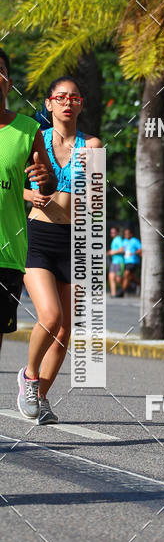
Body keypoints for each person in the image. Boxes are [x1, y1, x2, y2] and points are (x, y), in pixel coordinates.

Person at [17, 76, 102, 423]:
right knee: (49, 317)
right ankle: (29, 377)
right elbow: (11, 186)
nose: (68, 102)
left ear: (81, 105)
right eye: (61, 97)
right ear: (49, 103)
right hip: (38, 237)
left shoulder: (92, 145)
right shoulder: (36, 142)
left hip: (75, 240)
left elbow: (94, 203)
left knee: (66, 330)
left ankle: (42, 397)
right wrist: (30, 195)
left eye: (75, 97)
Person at [0, 48, 56, 361]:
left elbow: (45, 184)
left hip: (6, 254)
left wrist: (44, 178)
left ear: (8, 83)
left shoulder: (28, 130)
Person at [121, 227, 142, 295]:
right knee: (131, 276)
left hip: (133, 261)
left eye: (127, 234)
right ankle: (140, 284)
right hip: (126, 261)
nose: (126, 235)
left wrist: (133, 253)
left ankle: (122, 292)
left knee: (126, 274)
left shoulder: (135, 240)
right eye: (125, 234)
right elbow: (123, 249)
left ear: (131, 234)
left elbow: (140, 249)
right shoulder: (124, 241)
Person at [108, 225, 125, 297]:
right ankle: (113, 294)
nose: (112, 234)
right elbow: (113, 250)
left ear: (117, 232)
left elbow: (122, 250)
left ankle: (124, 288)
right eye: (111, 233)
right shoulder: (114, 240)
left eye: (114, 232)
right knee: (111, 277)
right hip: (113, 262)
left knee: (118, 280)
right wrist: (109, 252)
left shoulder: (118, 239)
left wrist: (113, 252)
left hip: (119, 262)